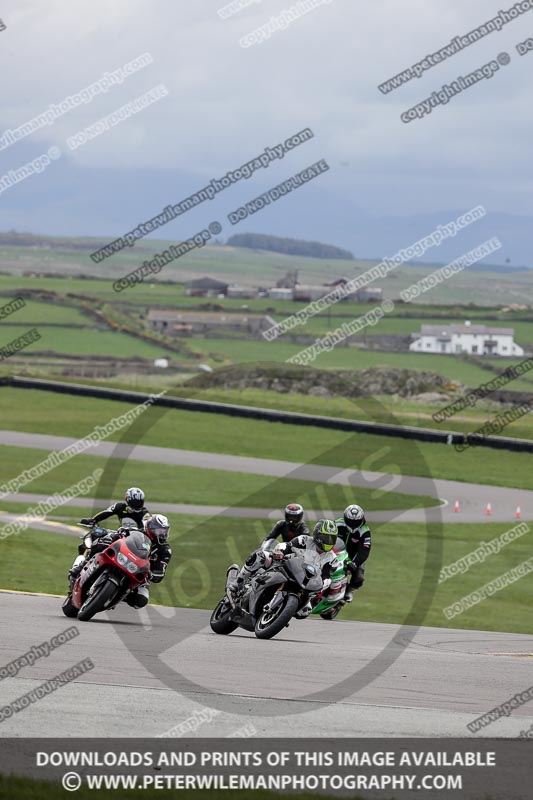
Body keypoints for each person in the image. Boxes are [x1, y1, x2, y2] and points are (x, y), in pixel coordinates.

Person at [68, 513, 172, 609]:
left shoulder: (165, 550)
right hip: (123, 558)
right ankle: (80, 567)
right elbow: (118, 534)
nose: (162, 535)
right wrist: (113, 535)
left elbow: (161, 571)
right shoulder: (135, 531)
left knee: (141, 600)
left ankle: (119, 595)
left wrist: (152, 575)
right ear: (150, 528)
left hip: (140, 572)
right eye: (159, 531)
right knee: (100, 542)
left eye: (165, 532)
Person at [229, 503, 309, 592]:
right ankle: (238, 581)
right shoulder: (281, 524)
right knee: (255, 556)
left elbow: (305, 547)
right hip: (281, 551)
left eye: (294, 517)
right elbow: (269, 538)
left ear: (299, 517)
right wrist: (261, 549)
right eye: (290, 516)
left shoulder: (304, 530)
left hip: (293, 557)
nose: (291, 519)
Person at [276, 519, 341, 617]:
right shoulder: (303, 540)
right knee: (261, 556)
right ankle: (245, 578)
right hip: (289, 570)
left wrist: (322, 584)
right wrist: (280, 552)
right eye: (326, 537)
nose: (329, 541)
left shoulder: (332, 558)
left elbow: (326, 576)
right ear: (317, 535)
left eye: (332, 539)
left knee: (303, 613)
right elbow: (288, 546)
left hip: (307, 585)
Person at [334, 504, 371, 603]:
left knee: (359, 577)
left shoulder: (365, 531)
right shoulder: (337, 524)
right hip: (334, 553)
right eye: (351, 521)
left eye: (356, 522)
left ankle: (349, 590)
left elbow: (364, 551)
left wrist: (355, 563)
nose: (353, 524)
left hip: (353, 557)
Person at [80, 487, 149, 530]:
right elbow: (106, 513)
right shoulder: (119, 507)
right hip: (121, 537)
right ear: (128, 500)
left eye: (139, 502)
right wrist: (93, 520)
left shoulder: (145, 513)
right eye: (135, 502)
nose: (137, 505)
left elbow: (147, 525)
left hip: (138, 541)